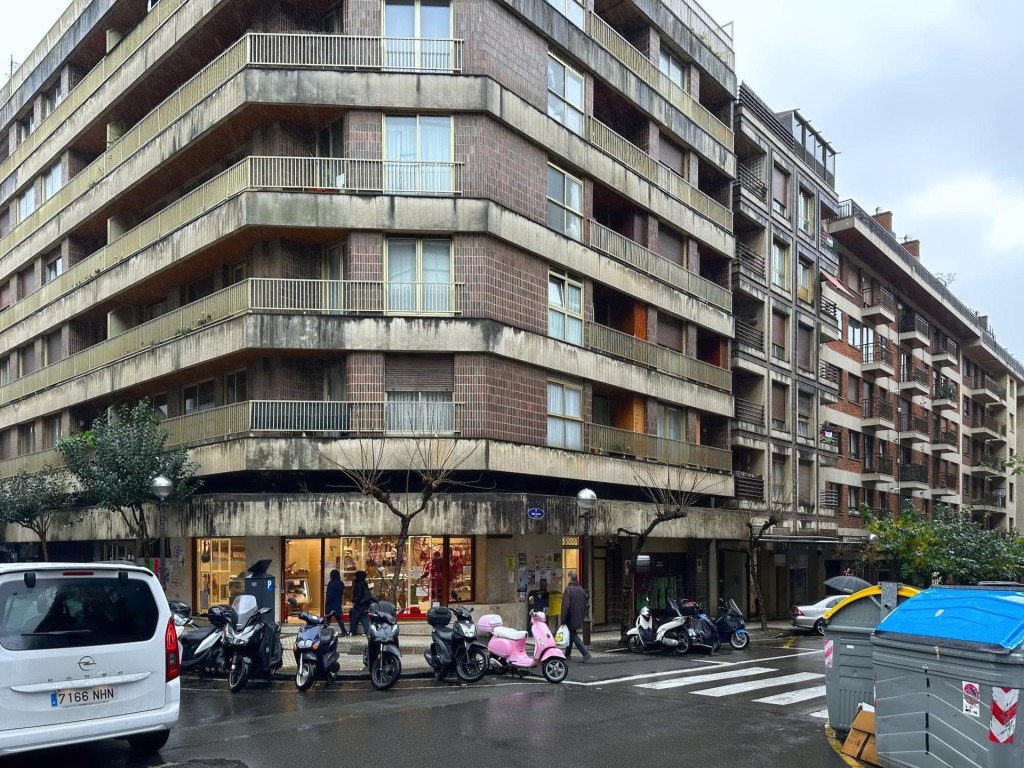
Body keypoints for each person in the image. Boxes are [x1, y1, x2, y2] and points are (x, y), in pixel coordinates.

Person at [560, 570, 592, 662]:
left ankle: (586, 653)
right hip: (579, 615)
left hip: (571, 616)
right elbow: (584, 603)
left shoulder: (568, 590)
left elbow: (566, 606)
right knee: (571, 634)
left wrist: (563, 619)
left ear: (570, 578)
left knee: (573, 635)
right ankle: (567, 654)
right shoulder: (581, 589)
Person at [349, 570, 374, 636]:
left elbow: (359, 594)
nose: (354, 577)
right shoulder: (364, 583)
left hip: (359, 604)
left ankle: (353, 632)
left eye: (355, 576)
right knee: (363, 617)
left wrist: (354, 600)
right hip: (364, 603)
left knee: (355, 618)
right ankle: (367, 632)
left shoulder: (358, 584)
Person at [324, 569, 348, 635]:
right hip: (337, 602)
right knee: (338, 617)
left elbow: (330, 595)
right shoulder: (341, 583)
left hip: (331, 603)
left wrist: (327, 603)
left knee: (329, 617)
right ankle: (344, 631)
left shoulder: (331, 583)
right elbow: (342, 593)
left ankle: (323, 629)